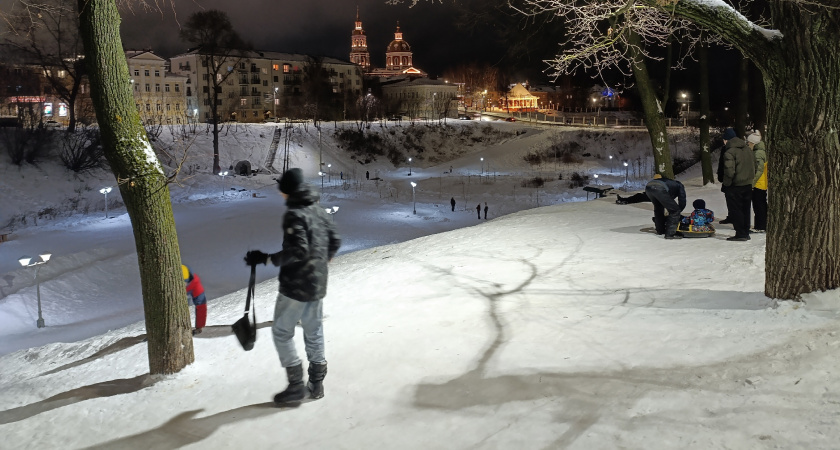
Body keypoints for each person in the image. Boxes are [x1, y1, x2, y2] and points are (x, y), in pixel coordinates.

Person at [244, 168, 342, 404]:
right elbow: (335, 239)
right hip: (317, 284)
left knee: (281, 332)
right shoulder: (318, 209)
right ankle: (317, 384)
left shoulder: (295, 214)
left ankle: (296, 385)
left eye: (283, 192)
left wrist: (267, 258)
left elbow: (297, 250)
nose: (282, 196)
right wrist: (322, 260)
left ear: (288, 191)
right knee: (314, 331)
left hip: (296, 286)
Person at [720, 127, 755, 241]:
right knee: (746, 209)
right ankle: (746, 231)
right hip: (748, 184)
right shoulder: (747, 149)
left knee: (736, 209)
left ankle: (740, 233)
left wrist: (727, 184)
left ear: (727, 140)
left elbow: (729, 171)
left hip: (735, 186)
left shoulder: (729, 152)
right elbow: (755, 165)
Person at [644, 173, 686, 239]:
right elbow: (682, 200)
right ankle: (670, 234)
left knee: (658, 208)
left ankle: (660, 230)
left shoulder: (669, 184)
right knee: (675, 211)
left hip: (648, 187)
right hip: (659, 187)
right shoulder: (679, 185)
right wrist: (678, 212)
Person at [747, 131, 767, 232]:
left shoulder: (757, 153)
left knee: (758, 205)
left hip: (759, 183)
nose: (748, 144)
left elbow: (759, 170)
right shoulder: (761, 151)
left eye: (749, 142)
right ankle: (761, 225)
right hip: (762, 182)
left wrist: (752, 183)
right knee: (760, 204)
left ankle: (761, 226)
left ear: (753, 143)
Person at [182, 264, 207, 335]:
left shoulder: (195, 282)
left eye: (185, 283)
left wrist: (199, 326)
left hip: (188, 294)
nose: (184, 285)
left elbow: (201, 305)